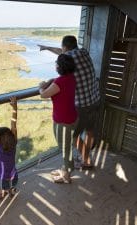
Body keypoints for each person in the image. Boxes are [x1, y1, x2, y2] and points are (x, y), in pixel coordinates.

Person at [38, 35, 100, 169]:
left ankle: (86, 160)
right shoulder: (83, 52)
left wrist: (47, 83)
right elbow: (64, 53)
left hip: (82, 105)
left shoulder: (69, 58)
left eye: (62, 49)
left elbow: (63, 55)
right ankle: (85, 155)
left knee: (73, 136)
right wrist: (48, 48)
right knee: (89, 130)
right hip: (95, 100)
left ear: (65, 47)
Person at [39, 54, 77, 183]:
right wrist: (51, 81)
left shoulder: (60, 82)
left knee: (64, 149)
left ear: (60, 67)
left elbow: (43, 94)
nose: (55, 65)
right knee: (66, 146)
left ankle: (66, 175)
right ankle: (65, 168)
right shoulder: (71, 77)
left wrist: (41, 86)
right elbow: (57, 82)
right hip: (71, 117)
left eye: (57, 63)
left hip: (63, 121)